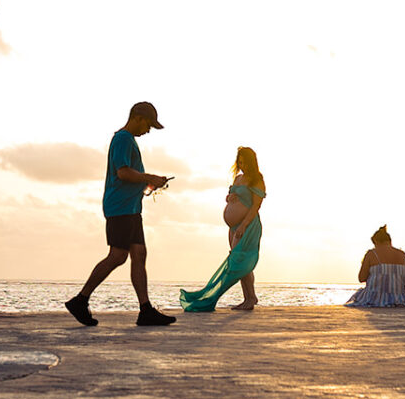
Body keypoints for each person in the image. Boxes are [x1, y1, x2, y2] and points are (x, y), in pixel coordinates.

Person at [65, 103, 178, 328]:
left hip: (131, 208)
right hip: (120, 208)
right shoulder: (123, 139)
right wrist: (150, 176)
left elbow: (130, 176)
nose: (148, 130)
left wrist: (151, 183)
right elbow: (123, 172)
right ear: (137, 118)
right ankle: (81, 300)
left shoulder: (128, 140)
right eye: (148, 125)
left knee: (139, 253)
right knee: (118, 256)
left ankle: (145, 310)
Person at [181, 146, 266, 312]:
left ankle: (250, 298)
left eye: (245, 162)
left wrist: (243, 225)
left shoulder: (257, 179)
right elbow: (232, 198)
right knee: (238, 260)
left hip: (247, 225)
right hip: (234, 227)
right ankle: (249, 297)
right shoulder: (238, 178)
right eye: (240, 162)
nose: (242, 165)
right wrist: (230, 197)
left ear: (252, 162)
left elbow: (256, 205)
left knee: (240, 262)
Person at [346, 225, 405, 307]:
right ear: (390, 241)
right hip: (399, 298)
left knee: (357, 295)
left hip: (374, 298)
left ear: (376, 241)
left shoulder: (371, 254)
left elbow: (361, 278)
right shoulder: (404, 255)